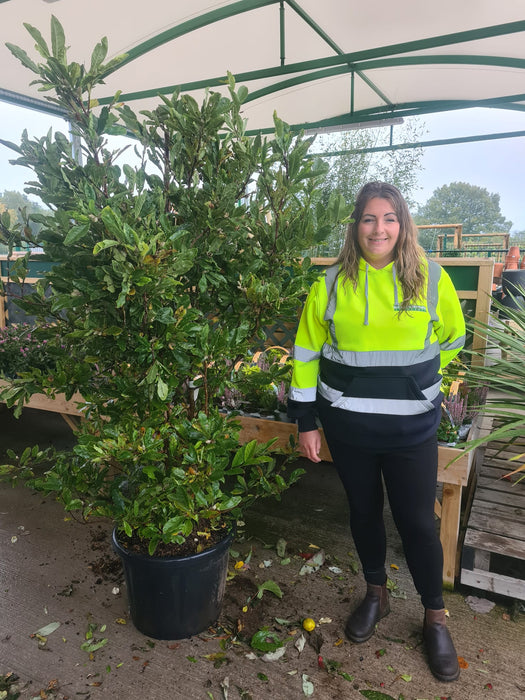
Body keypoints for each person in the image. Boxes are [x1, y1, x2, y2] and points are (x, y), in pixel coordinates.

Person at [288, 182, 465, 683]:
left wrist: (419, 381)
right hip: (349, 427)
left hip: (412, 429)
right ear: (355, 226)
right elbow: (306, 352)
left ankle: (434, 617)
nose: (379, 228)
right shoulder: (330, 284)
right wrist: (306, 421)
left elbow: (454, 337)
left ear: (402, 223)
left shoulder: (431, 279)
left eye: (389, 218)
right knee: (363, 512)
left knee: (417, 524)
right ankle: (377, 594)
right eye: (369, 218)